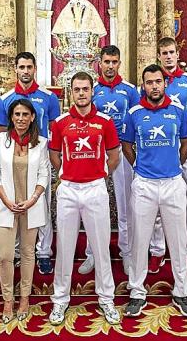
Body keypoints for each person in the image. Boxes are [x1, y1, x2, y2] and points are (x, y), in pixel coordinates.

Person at [122, 64, 187, 319]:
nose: (154, 86)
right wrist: (137, 166)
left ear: (165, 83)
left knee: (177, 240)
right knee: (139, 240)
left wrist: (177, 162)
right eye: (149, 82)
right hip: (144, 184)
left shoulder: (178, 110)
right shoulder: (134, 112)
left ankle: (182, 291)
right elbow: (126, 144)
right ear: (143, 85)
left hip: (172, 183)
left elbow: (186, 140)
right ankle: (136, 291)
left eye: (157, 81)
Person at [48, 72, 121, 326]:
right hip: (68, 189)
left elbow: (114, 155)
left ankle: (107, 298)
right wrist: (64, 173)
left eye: (85, 89)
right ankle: (60, 299)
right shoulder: (59, 122)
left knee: (101, 246)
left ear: (92, 92)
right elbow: (54, 153)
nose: (81, 93)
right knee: (65, 246)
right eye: (77, 89)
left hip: (95, 189)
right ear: (71, 92)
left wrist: (100, 174)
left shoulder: (105, 121)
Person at [0, 52, 60, 275]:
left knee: (42, 205)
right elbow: (3, 132)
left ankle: (43, 252)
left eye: (29, 67)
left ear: (35, 69)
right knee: (12, 203)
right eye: (21, 67)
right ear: (15, 68)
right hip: (14, 157)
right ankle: (15, 250)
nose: (25, 71)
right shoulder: (6, 99)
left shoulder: (48, 97)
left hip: (39, 156)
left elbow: (54, 129)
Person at [77, 45, 139, 276]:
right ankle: (92, 253)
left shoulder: (130, 90)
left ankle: (126, 252)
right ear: (99, 64)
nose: (110, 66)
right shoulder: (93, 90)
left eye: (114, 62)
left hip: (122, 150)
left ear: (119, 63)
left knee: (125, 205)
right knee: (93, 203)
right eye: (106, 62)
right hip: (96, 152)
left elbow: (136, 120)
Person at [0, 99, 50, 322]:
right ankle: (7, 300)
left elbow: (45, 174)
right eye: (17, 114)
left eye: (25, 114)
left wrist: (33, 199)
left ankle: (24, 297)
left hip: (31, 205)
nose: (21, 118)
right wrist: (5, 199)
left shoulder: (41, 143)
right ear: (11, 117)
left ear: (32, 117)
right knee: (5, 256)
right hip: (6, 205)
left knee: (27, 253)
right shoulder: (1, 140)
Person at [147, 37, 187, 275]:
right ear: (158, 55)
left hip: (183, 146)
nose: (168, 56)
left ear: (177, 53)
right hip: (159, 149)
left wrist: (184, 144)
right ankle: (158, 250)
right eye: (164, 53)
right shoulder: (154, 80)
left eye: (171, 52)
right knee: (158, 203)